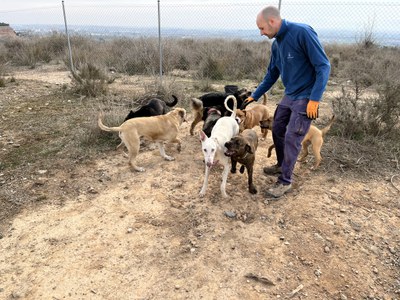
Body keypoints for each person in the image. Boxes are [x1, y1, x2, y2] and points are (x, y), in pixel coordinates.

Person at [242, 6, 331, 198]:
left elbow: (323, 66)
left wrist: (315, 99)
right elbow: (271, 74)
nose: (261, 33)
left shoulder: (302, 32)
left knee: (293, 136)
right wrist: (254, 95)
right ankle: (282, 165)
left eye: (262, 28)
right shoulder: (276, 45)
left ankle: (285, 181)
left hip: (306, 95)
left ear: (272, 22)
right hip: (290, 94)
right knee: (278, 127)